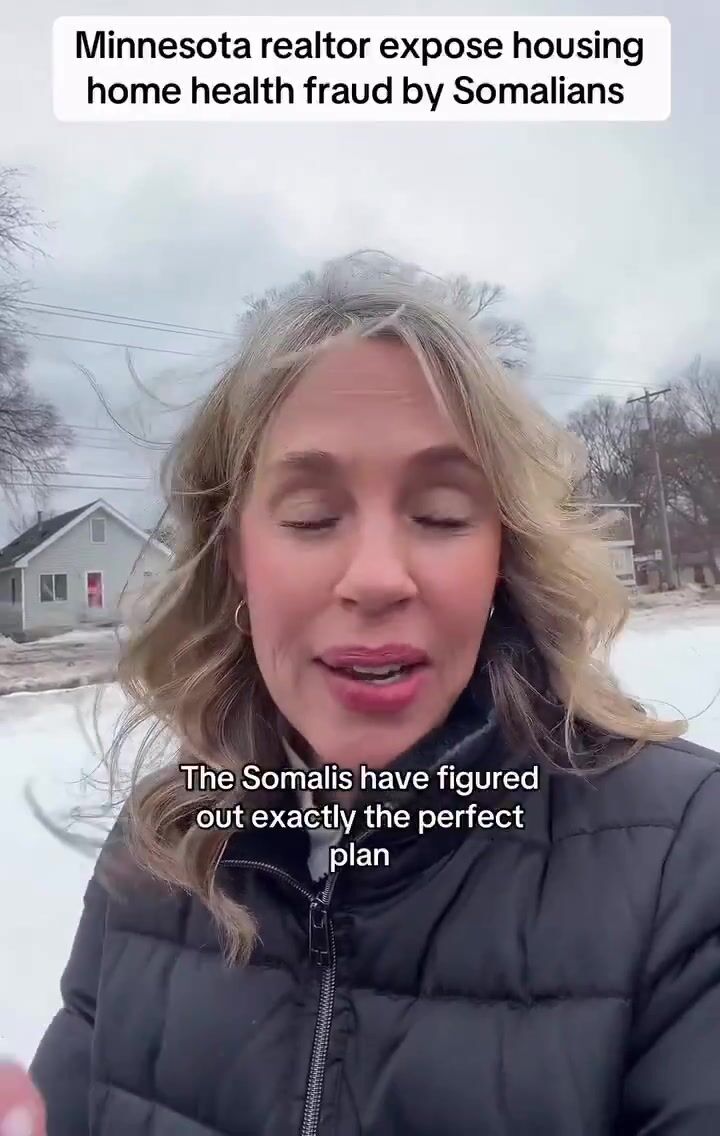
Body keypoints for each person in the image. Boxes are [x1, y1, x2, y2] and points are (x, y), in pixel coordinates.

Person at [5, 252, 720, 1135]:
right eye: (311, 517)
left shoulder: (689, 858)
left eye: (441, 515)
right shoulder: (161, 847)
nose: (377, 578)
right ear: (236, 557)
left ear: (504, 554)